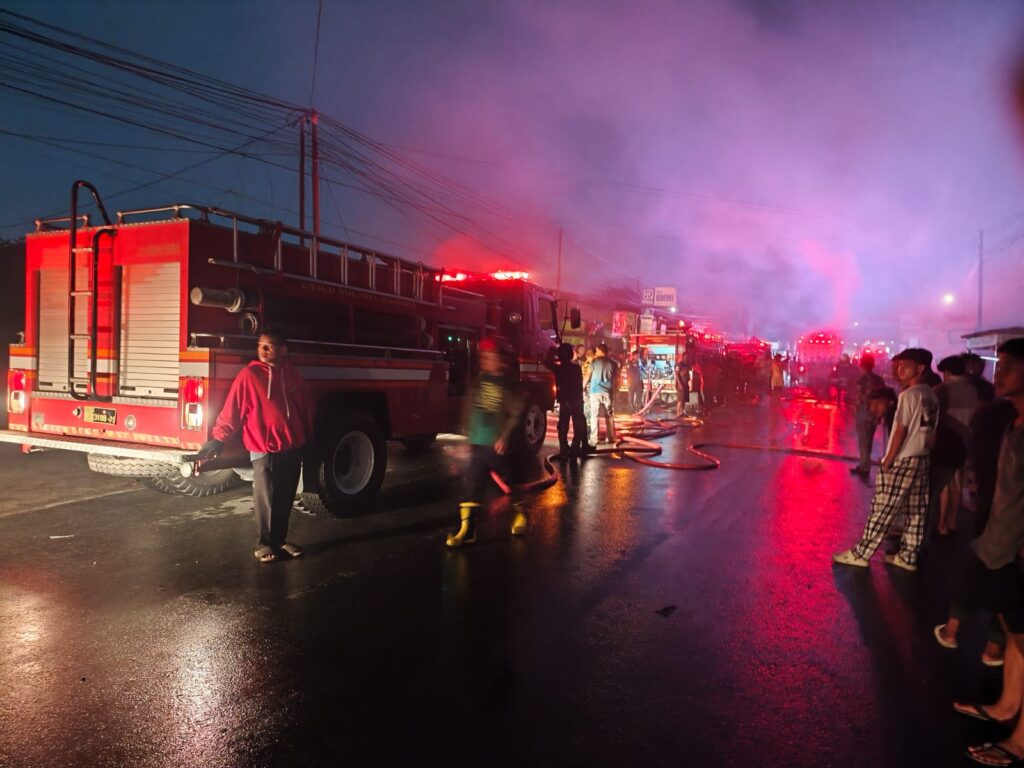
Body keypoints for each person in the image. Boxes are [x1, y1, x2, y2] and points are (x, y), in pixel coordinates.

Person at [945, 339, 1024, 766]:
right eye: (1002, 362)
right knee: (1014, 635)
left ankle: (1021, 741)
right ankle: (1007, 706)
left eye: (1011, 365)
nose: (1000, 370)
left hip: (1017, 550)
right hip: (1001, 544)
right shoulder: (1011, 423)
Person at [195, 330, 311, 563]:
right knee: (266, 497)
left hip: (291, 446)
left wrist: (308, 437)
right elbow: (233, 410)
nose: (264, 351)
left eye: (270, 346)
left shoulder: (293, 375)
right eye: (261, 346)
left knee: (285, 495)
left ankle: (280, 540)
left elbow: (304, 409)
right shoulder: (249, 375)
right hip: (263, 447)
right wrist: (219, 438)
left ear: (283, 349)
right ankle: (264, 544)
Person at [833, 348, 939, 571]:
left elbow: (900, 429)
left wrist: (888, 460)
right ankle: (908, 556)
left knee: (882, 508)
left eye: (905, 365)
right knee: (915, 511)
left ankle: (861, 554)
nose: (900, 369)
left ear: (920, 368)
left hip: (903, 458)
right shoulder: (930, 394)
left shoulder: (908, 395)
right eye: (898, 365)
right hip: (921, 457)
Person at [446, 336, 526, 548]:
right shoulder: (480, 380)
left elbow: (516, 413)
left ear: (500, 360)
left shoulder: (509, 384)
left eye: (491, 356)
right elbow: (470, 408)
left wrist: (505, 437)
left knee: (508, 484)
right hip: (477, 443)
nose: (486, 360)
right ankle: (467, 531)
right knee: (471, 486)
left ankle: (520, 515)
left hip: (497, 446)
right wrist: (467, 437)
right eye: (484, 356)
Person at [934, 355, 980, 535]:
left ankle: (941, 523)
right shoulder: (972, 390)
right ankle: (953, 522)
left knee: (943, 483)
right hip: (966, 443)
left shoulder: (940, 390)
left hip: (945, 443)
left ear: (946, 372)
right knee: (958, 484)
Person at [545, 342, 591, 457]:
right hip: (576, 400)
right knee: (579, 423)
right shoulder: (576, 368)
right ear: (571, 354)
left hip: (565, 401)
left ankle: (564, 450)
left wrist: (551, 353)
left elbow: (546, 362)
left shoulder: (558, 368)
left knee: (563, 425)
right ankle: (577, 448)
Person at [850, 353, 885, 477]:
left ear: (862, 366)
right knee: (869, 440)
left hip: (864, 413)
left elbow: (860, 396)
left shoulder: (862, 380)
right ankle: (866, 463)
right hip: (875, 414)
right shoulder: (879, 380)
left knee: (863, 441)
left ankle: (864, 467)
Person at [588, 343, 617, 446]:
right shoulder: (614, 363)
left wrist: (582, 386)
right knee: (608, 415)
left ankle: (594, 439)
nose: (595, 352)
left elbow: (588, 375)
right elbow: (615, 378)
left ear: (600, 351)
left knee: (594, 415)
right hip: (607, 392)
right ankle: (611, 438)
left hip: (595, 391)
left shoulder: (594, 362)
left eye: (596, 350)